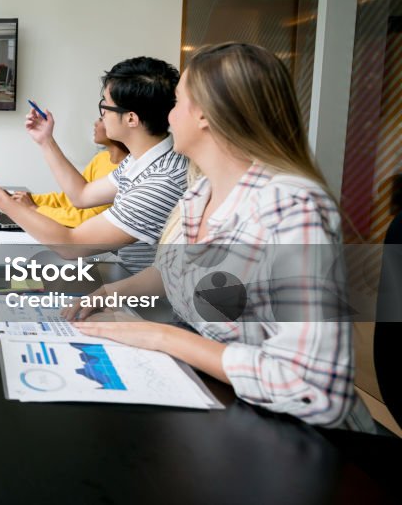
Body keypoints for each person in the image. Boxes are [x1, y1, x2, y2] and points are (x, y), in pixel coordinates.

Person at [65, 42, 374, 431]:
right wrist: (110, 295)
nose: (168, 116)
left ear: (207, 116)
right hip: (222, 407)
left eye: (176, 103)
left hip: (303, 440)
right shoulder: (199, 193)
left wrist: (161, 338)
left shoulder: (292, 206)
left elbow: (312, 389)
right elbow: (172, 273)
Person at [0, 56, 187, 273]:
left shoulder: (160, 180)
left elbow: (73, 246)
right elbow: (82, 196)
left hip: (143, 297)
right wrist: (46, 141)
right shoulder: (144, 161)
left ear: (131, 118)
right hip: (123, 276)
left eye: (105, 105)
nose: (102, 114)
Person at [11, 118, 128, 227]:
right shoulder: (101, 159)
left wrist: (35, 209)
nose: (95, 123)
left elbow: (86, 218)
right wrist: (24, 199)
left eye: (102, 119)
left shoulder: (126, 172)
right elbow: (70, 199)